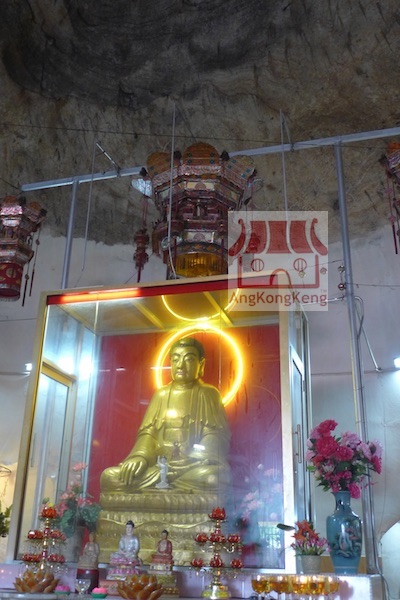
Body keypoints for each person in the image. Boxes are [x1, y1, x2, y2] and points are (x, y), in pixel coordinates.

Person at [101, 337, 231, 493]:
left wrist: (193, 459)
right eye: (175, 359)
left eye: (188, 359)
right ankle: (170, 488)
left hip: (191, 467)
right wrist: (140, 457)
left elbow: (215, 435)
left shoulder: (209, 394)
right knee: (110, 477)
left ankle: (168, 487)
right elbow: (148, 434)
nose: (180, 365)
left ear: (201, 365)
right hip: (159, 467)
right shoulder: (161, 395)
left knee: (213, 477)